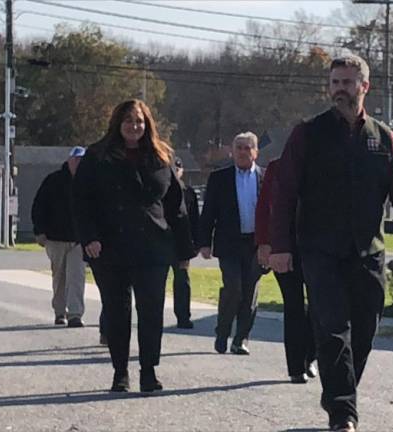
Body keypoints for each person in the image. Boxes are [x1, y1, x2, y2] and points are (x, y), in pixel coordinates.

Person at [269, 55, 393, 432]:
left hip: (368, 251)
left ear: (364, 87)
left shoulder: (384, 138)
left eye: (348, 82)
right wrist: (279, 245)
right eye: (335, 82)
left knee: (366, 329)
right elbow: (284, 192)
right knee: (332, 327)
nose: (340, 89)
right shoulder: (307, 133)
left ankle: (338, 391)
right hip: (319, 250)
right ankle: (343, 413)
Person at [72, 99, 194, 393]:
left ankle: (149, 371)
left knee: (151, 312)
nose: (134, 126)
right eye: (128, 121)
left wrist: (184, 249)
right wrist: (89, 237)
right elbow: (81, 201)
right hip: (109, 247)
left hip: (153, 246)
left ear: (147, 124)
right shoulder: (98, 156)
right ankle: (120, 371)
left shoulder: (162, 156)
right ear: (117, 123)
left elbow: (176, 205)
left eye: (139, 121)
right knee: (117, 311)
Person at [199, 132, 265, 355]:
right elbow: (208, 213)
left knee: (250, 293)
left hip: (256, 245)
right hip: (229, 244)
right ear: (232, 151)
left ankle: (241, 338)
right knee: (234, 289)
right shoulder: (220, 178)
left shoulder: (265, 178)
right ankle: (222, 330)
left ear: (256, 151)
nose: (244, 152)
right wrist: (204, 243)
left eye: (248, 148)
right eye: (239, 148)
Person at [255, 158, 317, 384]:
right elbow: (263, 207)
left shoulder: (325, 162)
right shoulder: (278, 167)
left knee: (318, 306)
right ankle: (295, 366)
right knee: (294, 305)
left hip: (317, 247)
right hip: (283, 245)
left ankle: (310, 356)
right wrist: (264, 242)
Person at [31, 146, 87, 328]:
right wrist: (39, 231)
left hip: (79, 239)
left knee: (76, 277)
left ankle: (75, 314)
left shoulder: (89, 182)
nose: (79, 163)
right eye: (76, 159)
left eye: (82, 160)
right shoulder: (53, 181)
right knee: (59, 277)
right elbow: (38, 207)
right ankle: (60, 312)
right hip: (55, 238)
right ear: (69, 160)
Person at [172, 156, 200, 329]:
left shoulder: (188, 192)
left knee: (182, 281)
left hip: (182, 244)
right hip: (161, 243)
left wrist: (196, 243)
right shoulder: (159, 188)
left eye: (178, 168)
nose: (175, 171)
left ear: (182, 171)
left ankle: (183, 317)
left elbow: (195, 220)